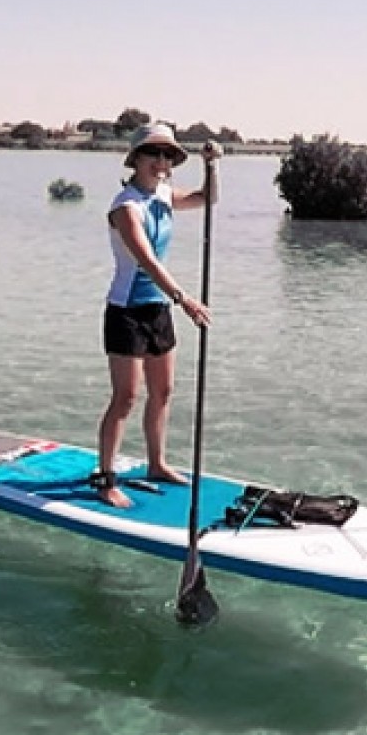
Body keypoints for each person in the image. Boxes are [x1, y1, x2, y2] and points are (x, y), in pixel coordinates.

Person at [94, 122, 219, 508]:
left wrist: (212, 166)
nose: (162, 162)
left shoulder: (164, 194)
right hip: (126, 311)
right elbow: (145, 259)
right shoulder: (124, 207)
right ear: (136, 159)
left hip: (158, 310)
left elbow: (206, 199)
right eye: (154, 154)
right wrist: (185, 300)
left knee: (163, 392)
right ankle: (105, 479)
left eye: (168, 155)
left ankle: (156, 464)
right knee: (125, 398)